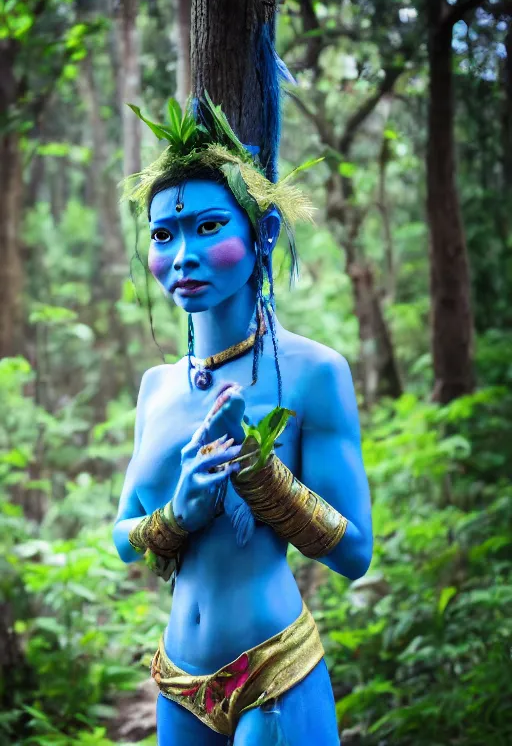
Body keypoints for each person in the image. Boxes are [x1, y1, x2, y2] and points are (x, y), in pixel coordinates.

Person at [113, 95, 373, 746]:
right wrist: (181, 511)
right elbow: (122, 539)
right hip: (177, 681)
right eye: (164, 234)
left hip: (273, 672)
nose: (182, 255)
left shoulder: (314, 373)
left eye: (207, 228)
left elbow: (356, 554)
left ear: (262, 236)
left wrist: (263, 479)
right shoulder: (156, 386)